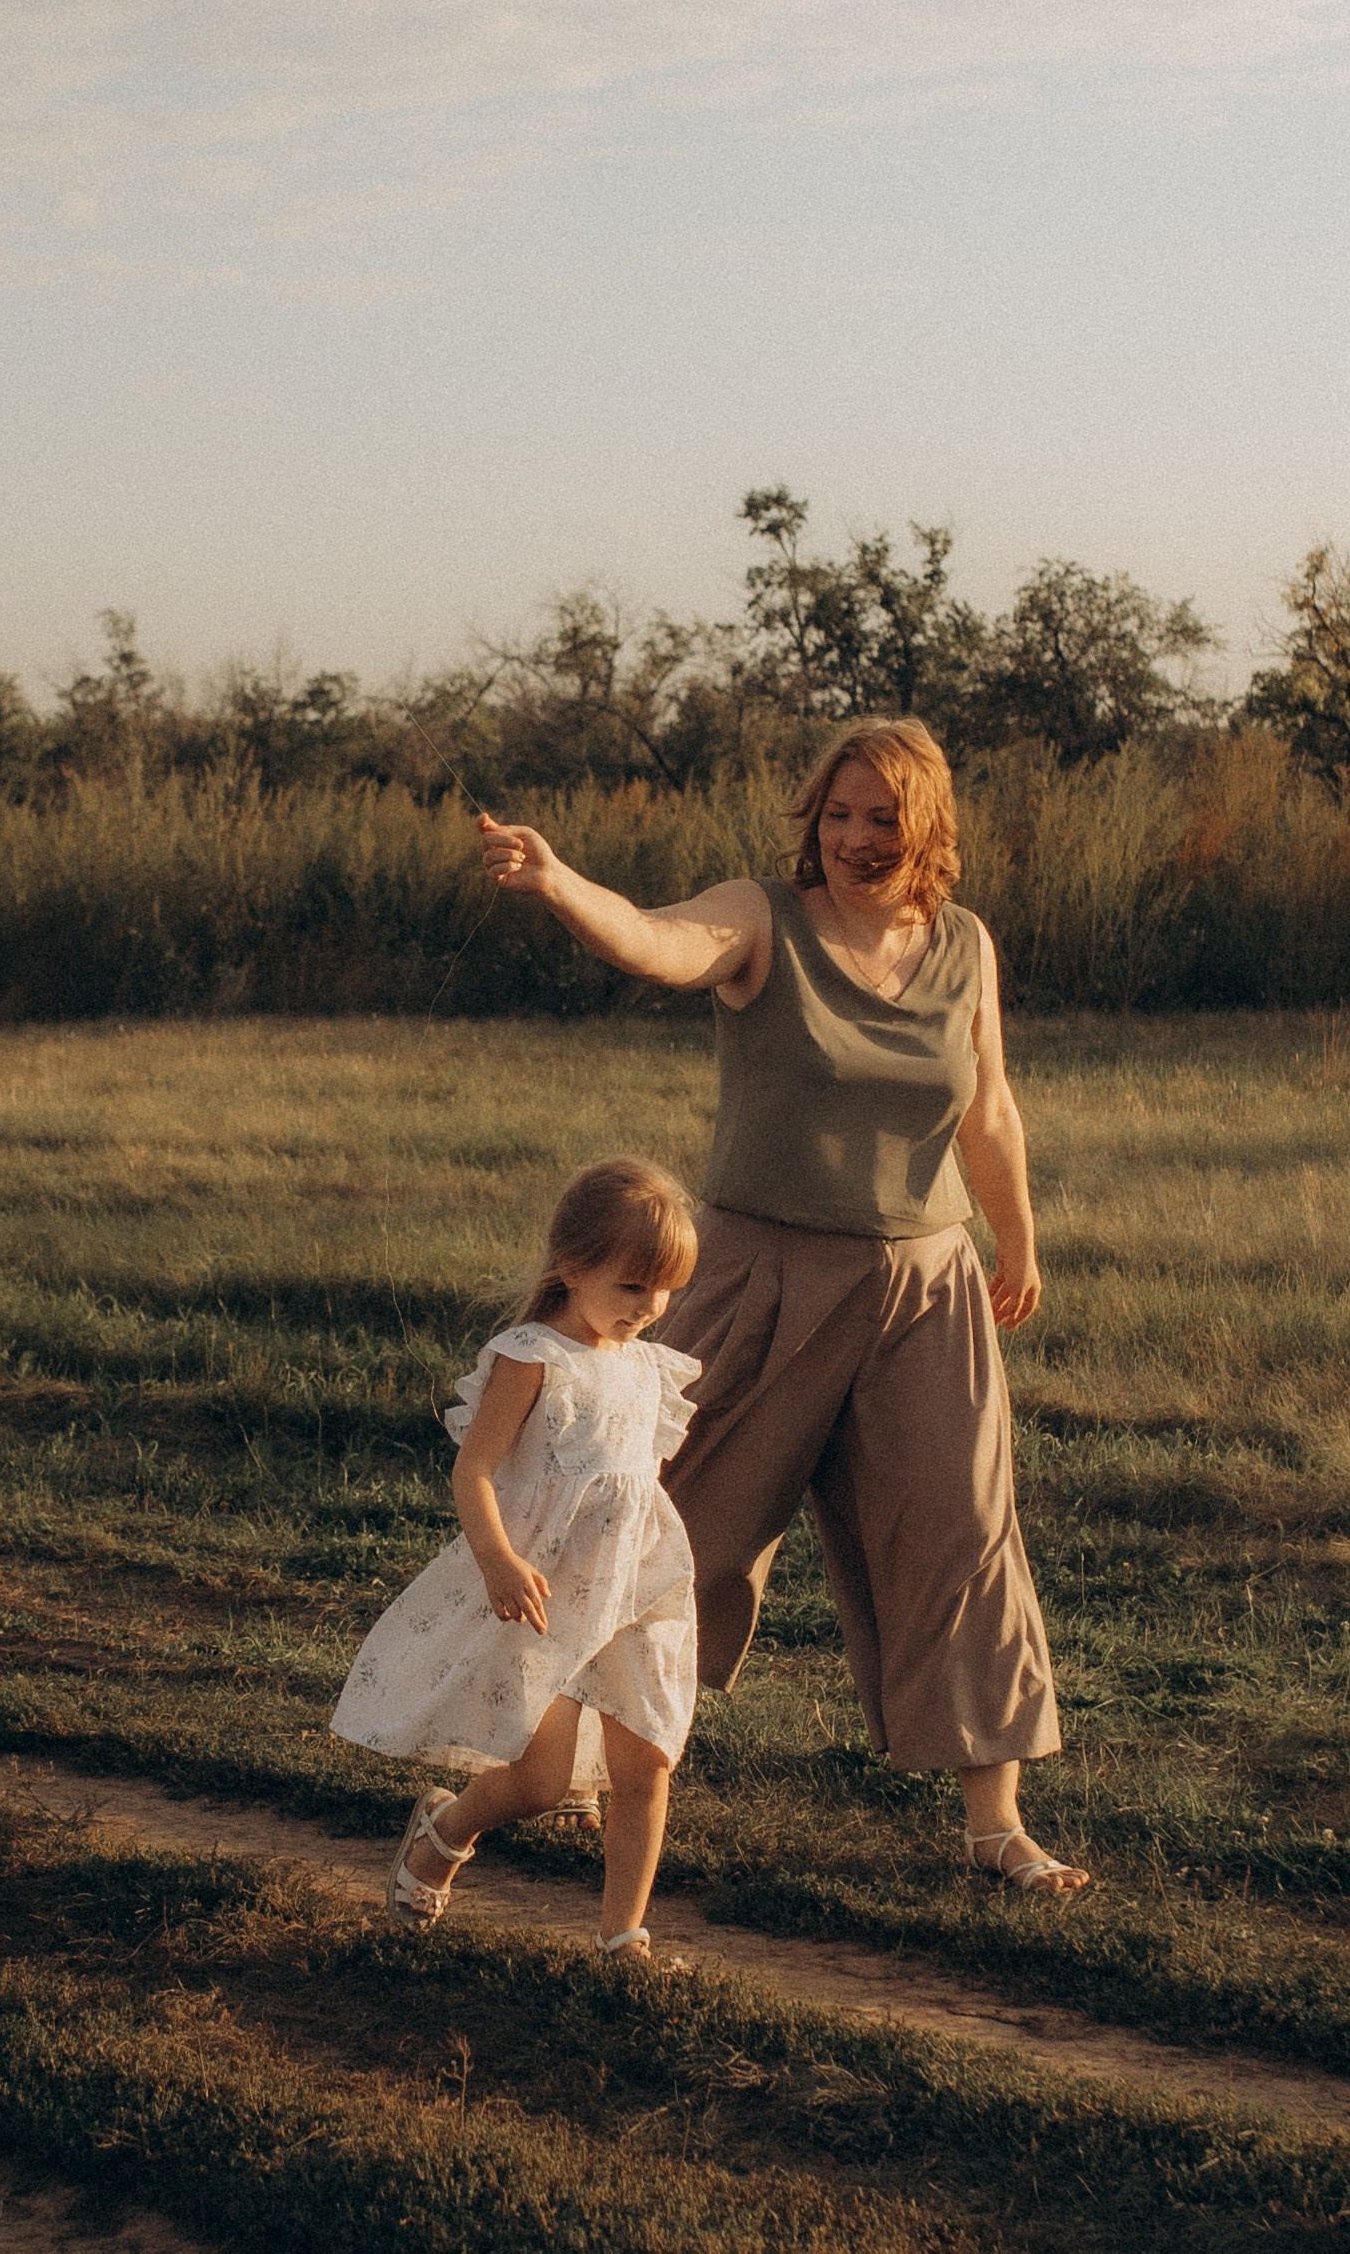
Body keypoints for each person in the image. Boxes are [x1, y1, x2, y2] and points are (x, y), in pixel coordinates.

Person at [477, 718, 1087, 1894]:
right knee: (664, 1526)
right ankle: (564, 1756)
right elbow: (658, 943)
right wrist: (559, 882)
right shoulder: (764, 919)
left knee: (960, 1533)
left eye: (881, 817)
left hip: (927, 1284)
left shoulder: (965, 945)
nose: (856, 837)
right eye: (838, 814)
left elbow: (991, 1107)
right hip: (761, 1275)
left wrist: (1017, 1237)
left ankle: (995, 1823)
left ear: (927, 828)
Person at [330, 1156, 702, 1952]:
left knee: (647, 1762)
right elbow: (476, 1468)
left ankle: (621, 1941)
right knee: (539, 1783)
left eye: (662, 1289)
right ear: (572, 1268)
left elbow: (629, 1492)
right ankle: (442, 1831)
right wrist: (497, 1559)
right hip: (543, 1592)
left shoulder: (647, 1370)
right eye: (630, 1287)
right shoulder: (533, 1357)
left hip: (636, 1593)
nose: (648, 1307)